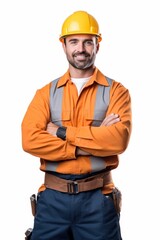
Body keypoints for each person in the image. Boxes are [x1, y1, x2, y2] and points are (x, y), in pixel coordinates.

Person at [21, 10, 132, 240]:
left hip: (98, 202)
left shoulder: (117, 92)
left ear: (97, 46)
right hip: (52, 201)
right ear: (64, 45)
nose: (80, 49)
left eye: (87, 42)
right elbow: (30, 140)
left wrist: (61, 132)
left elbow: (118, 140)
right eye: (74, 42)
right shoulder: (45, 94)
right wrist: (93, 141)